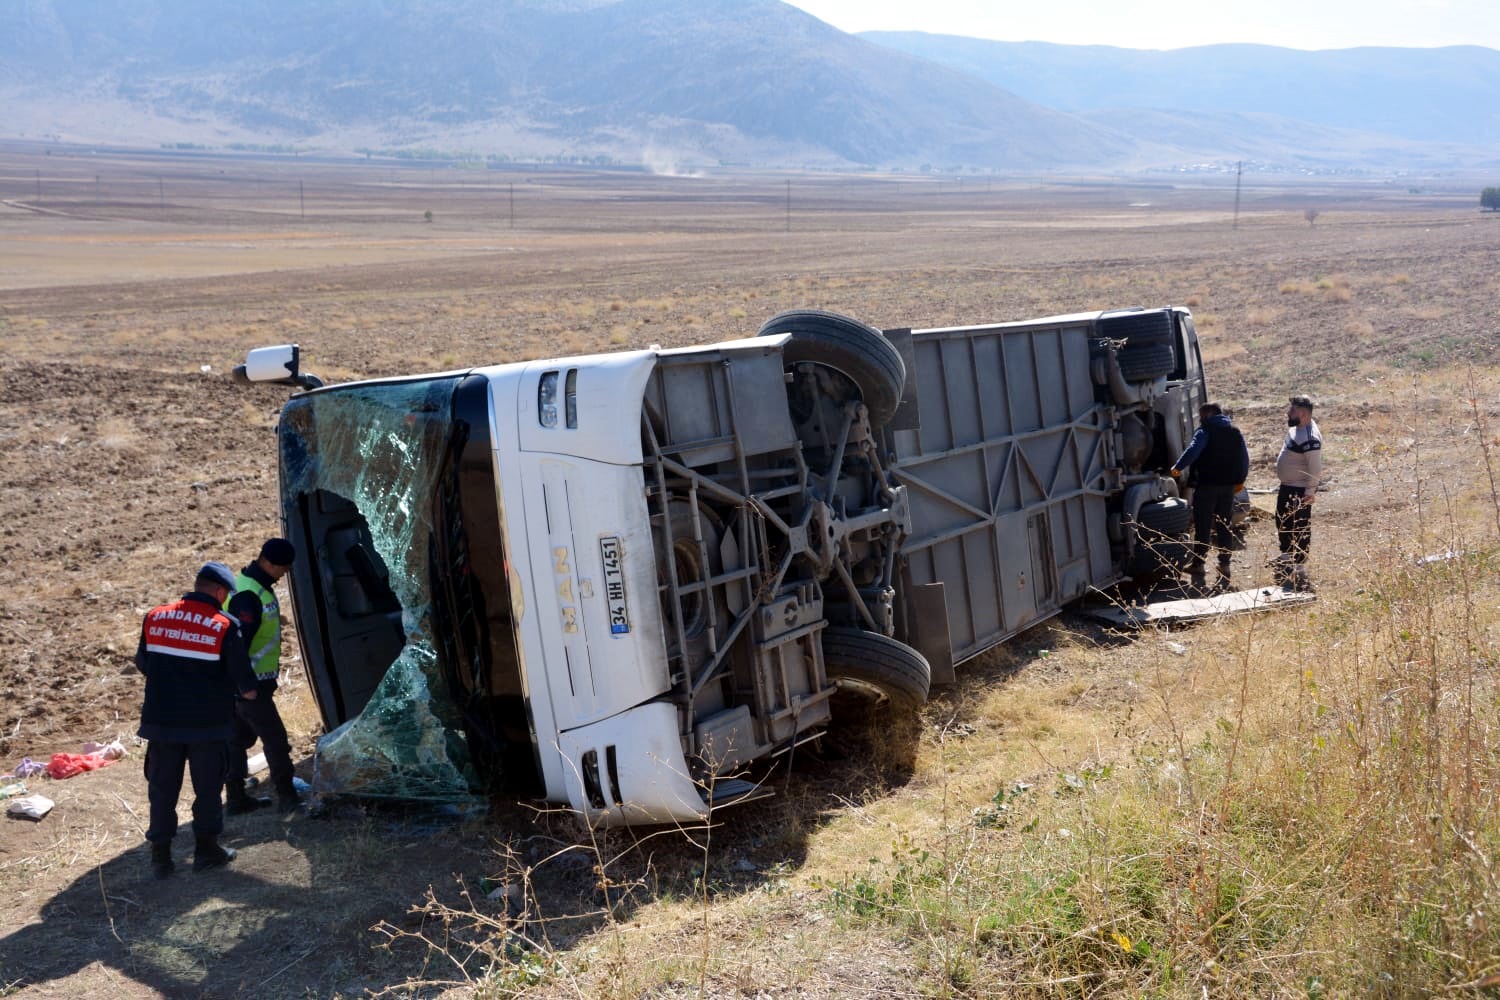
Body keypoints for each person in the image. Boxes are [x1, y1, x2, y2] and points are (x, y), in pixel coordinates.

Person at [136, 561, 259, 878]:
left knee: (162, 790)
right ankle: (207, 851)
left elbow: (144, 663)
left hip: (162, 722)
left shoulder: (155, 616)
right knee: (207, 788)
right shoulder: (223, 625)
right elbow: (245, 686)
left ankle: (160, 858)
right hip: (207, 725)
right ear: (220, 591)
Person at [224, 537, 303, 813]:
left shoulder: (249, 586)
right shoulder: (249, 596)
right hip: (249, 686)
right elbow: (236, 646)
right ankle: (288, 797)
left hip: (241, 685)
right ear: (267, 563)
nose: (285, 573)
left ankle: (235, 799)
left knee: (236, 741)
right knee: (276, 741)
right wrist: (245, 686)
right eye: (283, 567)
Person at [1170, 402, 1250, 593]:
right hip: (1228, 486)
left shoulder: (1205, 430)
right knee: (1224, 524)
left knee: (1203, 525)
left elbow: (1194, 450)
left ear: (1209, 413)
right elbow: (1244, 458)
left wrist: (1178, 468)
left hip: (1207, 486)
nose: (1200, 418)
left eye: (1201, 414)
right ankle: (1225, 565)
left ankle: (1198, 564)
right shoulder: (1235, 432)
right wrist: (1240, 480)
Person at [1275, 394, 1323, 590]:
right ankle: (1286, 556)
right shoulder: (1297, 429)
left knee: (1300, 527)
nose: (1288, 412)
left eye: (1292, 410)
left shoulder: (1311, 438)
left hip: (1299, 490)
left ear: (1303, 414)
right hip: (1287, 487)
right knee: (1282, 520)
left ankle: (1299, 567)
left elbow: (1315, 468)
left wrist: (1310, 492)